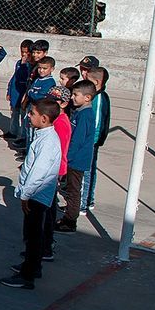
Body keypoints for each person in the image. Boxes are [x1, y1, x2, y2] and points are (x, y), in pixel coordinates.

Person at [1, 100, 63, 290]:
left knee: (34, 234)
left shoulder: (48, 141)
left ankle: (28, 275)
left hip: (37, 195)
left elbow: (39, 172)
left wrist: (25, 194)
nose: (29, 116)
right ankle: (32, 265)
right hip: (35, 193)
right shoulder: (43, 136)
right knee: (32, 233)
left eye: (32, 114)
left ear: (44, 118)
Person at [56, 80, 98, 233]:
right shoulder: (80, 111)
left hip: (77, 160)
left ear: (87, 97)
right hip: (73, 158)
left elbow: (78, 140)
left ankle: (70, 221)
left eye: (75, 95)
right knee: (70, 189)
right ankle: (68, 216)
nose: (72, 98)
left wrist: (67, 158)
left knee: (73, 191)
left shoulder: (86, 114)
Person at [82, 66, 111, 212]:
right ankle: (87, 200)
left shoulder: (99, 99)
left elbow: (97, 124)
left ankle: (84, 203)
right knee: (88, 171)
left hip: (90, 142)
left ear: (98, 82)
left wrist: (89, 142)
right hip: (89, 141)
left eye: (89, 81)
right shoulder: (95, 97)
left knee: (87, 172)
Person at [3, 40, 33, 144]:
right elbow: (14, 78)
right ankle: (13, 131)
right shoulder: (19, 63)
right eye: (22, 52)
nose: (24, 55)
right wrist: (9, 91)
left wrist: (24, 65)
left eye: (27, 52)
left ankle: (23, 136)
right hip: (15, 93)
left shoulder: (29, 65)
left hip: (23, 94)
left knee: (23, 116)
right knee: (14, 113)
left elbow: (24, 78)